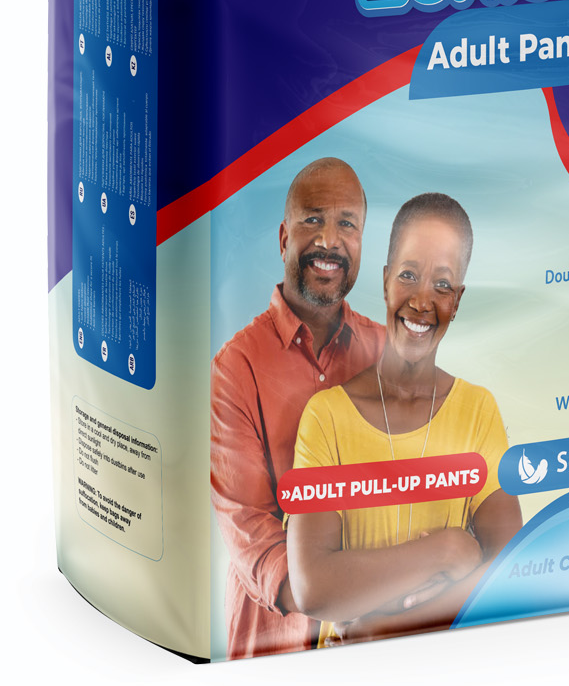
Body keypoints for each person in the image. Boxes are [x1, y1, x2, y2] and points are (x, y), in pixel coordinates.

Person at [288, 193, 521, 645]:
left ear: (458, 300)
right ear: (385, 280)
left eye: (443, 284)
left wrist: (383, 627)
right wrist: (447, 550)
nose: (422, 301)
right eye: (408, 275)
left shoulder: (477, 411)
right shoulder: (327, 416)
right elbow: (314, 589)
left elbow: (511, 570)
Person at [210, 158, 384, 659]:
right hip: (275, 650)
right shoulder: (236, 366)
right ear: (284, 238)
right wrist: (335, 599)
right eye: (313, 219)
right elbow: (248, 525)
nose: (330, 240)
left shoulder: (387, 352)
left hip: (379, 642)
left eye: (347, 224)